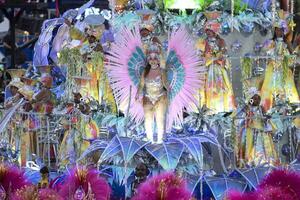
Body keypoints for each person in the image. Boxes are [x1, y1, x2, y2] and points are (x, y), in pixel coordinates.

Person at [260, 21, 299, 112]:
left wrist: (289, 46)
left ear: (284, 31)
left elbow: (293, 55)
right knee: (270, 88)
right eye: (277, 30)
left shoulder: (286, 43)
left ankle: (289, 108)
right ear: (275, 31)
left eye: (281, 30)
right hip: (272, 69)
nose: (279, 32)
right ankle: (268, 107)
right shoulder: (270, 42)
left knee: (286, 89)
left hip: (284, 69)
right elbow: (265, 55)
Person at [135, 41, 168, 144]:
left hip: (160, 98)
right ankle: (149, 139)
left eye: (155, 59)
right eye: (151, 59)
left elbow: (166, 84)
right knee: (148, 120)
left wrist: (170, 91)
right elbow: (141, 85)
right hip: (148, 98)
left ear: (158, 60)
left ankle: (159, 139)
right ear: (148, 60)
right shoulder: (145, 71)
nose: (153, 61)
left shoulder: (162, 71)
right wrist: (138, 94)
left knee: (159, 119)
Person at [237, 87, 277, 167]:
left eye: (258, 98)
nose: (257, 100)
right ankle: (250, 162)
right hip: (250, 131)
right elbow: (240, 119)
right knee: (249, 147)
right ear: (250, 99)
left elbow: (265, 117)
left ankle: (265, 162)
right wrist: (247, 109)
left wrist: (266, 118)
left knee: (263, 147)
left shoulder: (261, 108)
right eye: (254, 99)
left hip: (261, 131)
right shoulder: (247, 108)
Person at [201, 21, 236, 114]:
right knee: (208, 88)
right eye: (207, 30)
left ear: (215, 31)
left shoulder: (221, 41)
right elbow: (201, 56)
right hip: (208, 70)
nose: (208, 32)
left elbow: (224, 55)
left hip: (218, 69)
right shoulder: (203, 42)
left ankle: (221, 108)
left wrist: (218, 58)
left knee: (220, 88)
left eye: (210, 30)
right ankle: (209, 108)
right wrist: (208, 58)